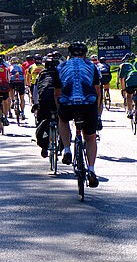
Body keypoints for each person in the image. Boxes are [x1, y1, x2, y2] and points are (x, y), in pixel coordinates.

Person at [57, 41, 102, 188]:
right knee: (90, 137)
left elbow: (57, 91)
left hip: (68, 101)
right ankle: (91, 170)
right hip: (88, 102)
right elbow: (97, 91)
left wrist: (59, 108)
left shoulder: (62, 66)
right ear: (85, 54)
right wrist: (98, 111)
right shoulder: (91, 66)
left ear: (69, 54)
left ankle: (67, 149)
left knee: (63, 120)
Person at [35, 55, 62, 157]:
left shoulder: (41, 74)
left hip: (44, 101)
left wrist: (35, 103)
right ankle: (63, 145)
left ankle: (43, 146)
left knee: (41, 121)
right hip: (57, 101)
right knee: (62, 121)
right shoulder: (60, 74)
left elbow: (36, 90)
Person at [119, 53, 137, 121]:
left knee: (129, 95)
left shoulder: (124, 65)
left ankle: (130, 112)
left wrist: (123, 89)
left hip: (130, 83)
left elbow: (122, 79)